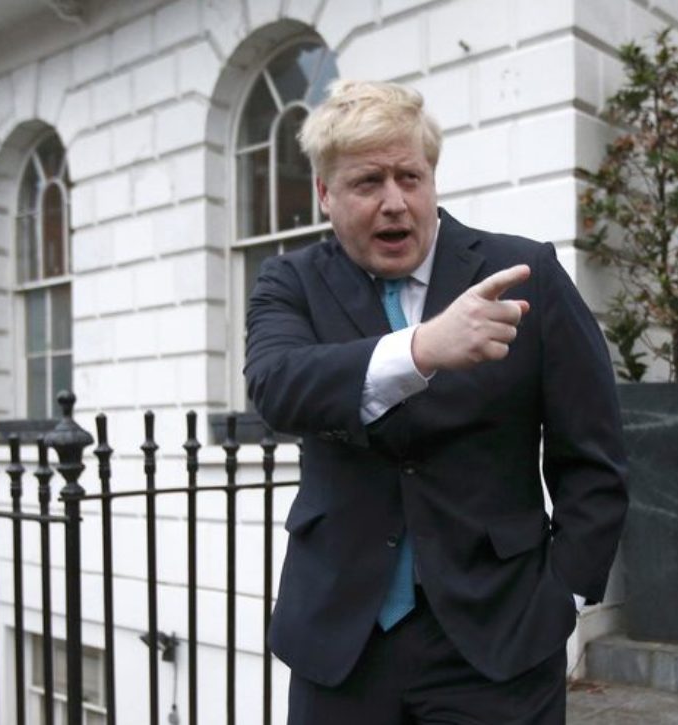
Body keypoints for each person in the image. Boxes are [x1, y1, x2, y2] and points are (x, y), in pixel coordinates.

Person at [245, 79, 628, 725]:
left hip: (498, 638)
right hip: (342, 642)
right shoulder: (291, 281)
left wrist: (562, 592)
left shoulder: (522, 271)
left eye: (410, 177)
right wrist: (423, 348)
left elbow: (594, 453)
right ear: (325, 195)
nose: (395, 203)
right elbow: (278, 387)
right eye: (368, 183)